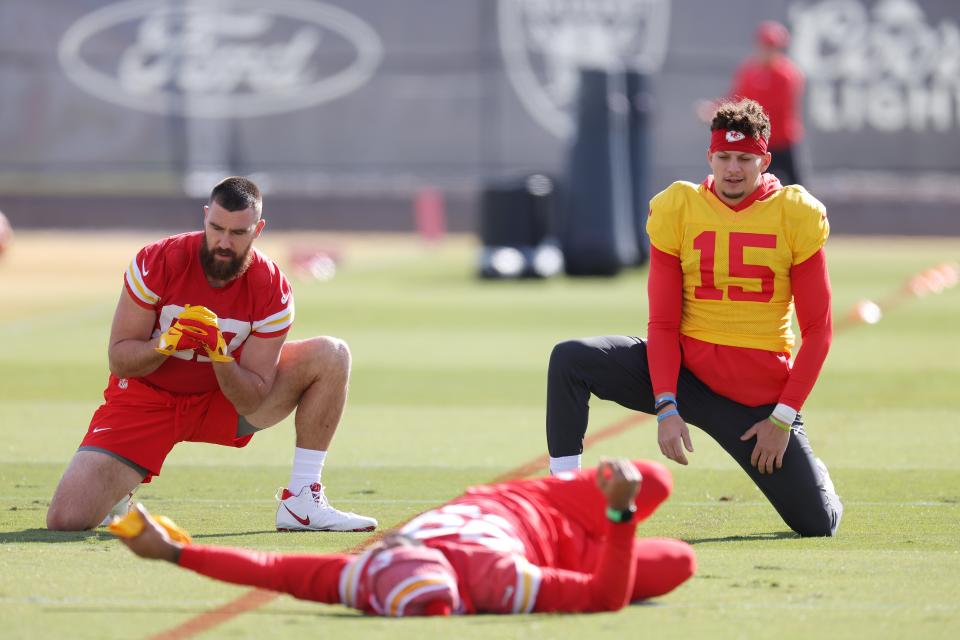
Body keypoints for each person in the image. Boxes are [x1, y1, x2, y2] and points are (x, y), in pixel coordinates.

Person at [546, 99, 842, 537]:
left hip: (754, 401)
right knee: (570, 360)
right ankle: (564, 502)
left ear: (765, 158)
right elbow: (663, 323)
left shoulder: (793, 213)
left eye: (745, 158)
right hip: (686, 374)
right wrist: (666, 403)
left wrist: (781, 420)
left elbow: (818, 332)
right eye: (724, 157)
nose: (733, 169)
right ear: (710, 158)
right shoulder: (680, 207)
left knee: (816, 524)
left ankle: (815, 474)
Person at [46, 176, 376, 533]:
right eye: (216, 228)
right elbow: (120, 359)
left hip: (221, 400)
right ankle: (119, 489)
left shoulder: (272, 289)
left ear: (258, 229)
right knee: (67, 520)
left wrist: (219, 353)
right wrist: (167, 343)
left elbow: (253, 397)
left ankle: (302, 500)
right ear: (205, 217)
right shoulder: (158, 261)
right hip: (147, 401)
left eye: (238, 233)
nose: (223, 242)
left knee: (331, 355)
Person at [116, 458, 695, 616]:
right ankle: (617, 515)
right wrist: (618, 518)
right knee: (677, 562)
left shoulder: (359, 580)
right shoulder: (500, 581)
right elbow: (602, 599)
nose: (388, 542)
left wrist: (174, 552)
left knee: (658, 480)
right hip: (566, 547)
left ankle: (619, 506)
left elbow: (269, 569)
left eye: (386, 550)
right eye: (397, 548)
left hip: (527, 500)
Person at [699, 20, 805, 185]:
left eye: (772, 47)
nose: (767, 51)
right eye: (765, 46)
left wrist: (729, 114)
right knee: (754, 189)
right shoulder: (749, 71)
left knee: (796, 188)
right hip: (757, 141)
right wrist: (714, 109)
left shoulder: (788, 75)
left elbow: (771, 108)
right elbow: (735, 97)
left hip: (782, 141)